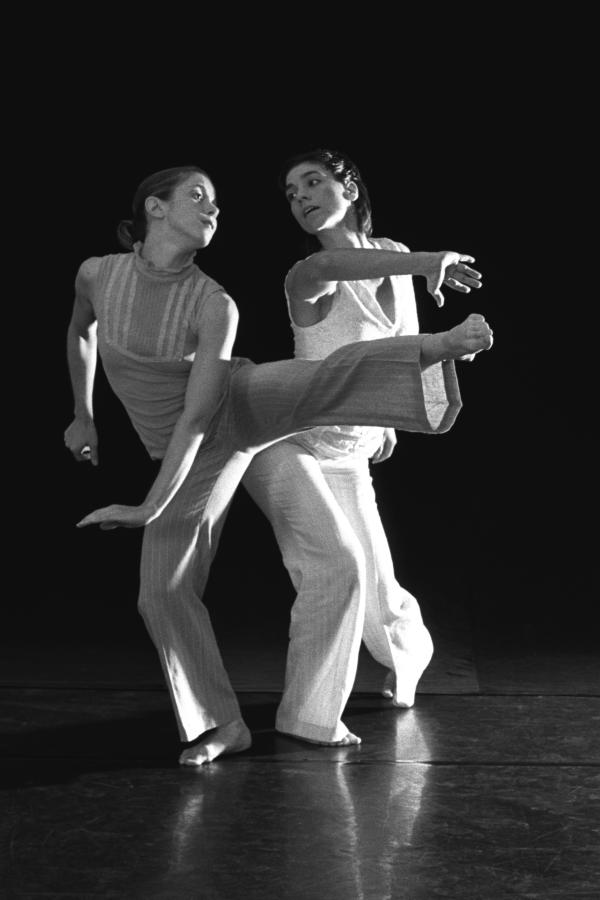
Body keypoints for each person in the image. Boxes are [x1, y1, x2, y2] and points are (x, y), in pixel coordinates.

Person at [65, 164, 492, 765]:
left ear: (350, 188)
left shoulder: (217, 302)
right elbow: (85, 333)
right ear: (154, 209)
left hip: (266, 416)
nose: (213, 210)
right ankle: (220, 724)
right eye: (197, 197)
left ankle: (318, 712)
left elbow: (207, 411)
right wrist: (83, 413)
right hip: (221, 441)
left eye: (216, 202)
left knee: (357, 566)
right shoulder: (102, 274)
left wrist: (386, 409)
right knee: (161, 592)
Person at [242, 148, 493, 747]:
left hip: (348, 448)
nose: (300, 196)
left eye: (312, 181)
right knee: (335, 569)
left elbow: (400, 345)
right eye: (290, 191)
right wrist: (432, 262)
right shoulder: (305, 274)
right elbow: (348, 287)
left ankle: (410, 655)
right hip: (284, 440)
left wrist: (387, 422)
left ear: (349, 187)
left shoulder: (396, 258)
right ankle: (309, 715)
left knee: (378, 581)